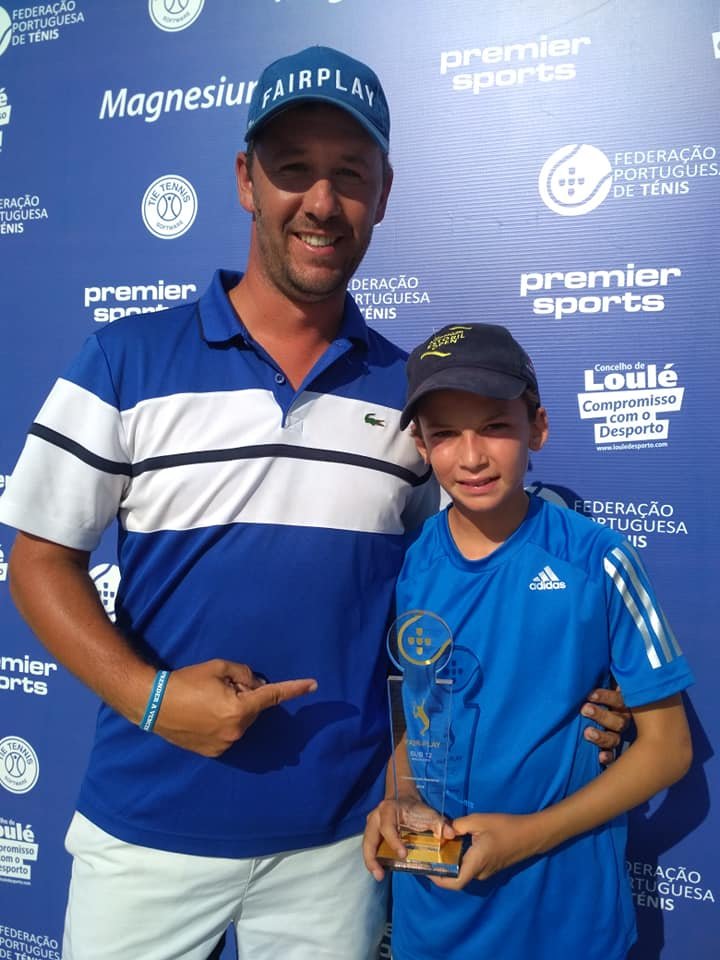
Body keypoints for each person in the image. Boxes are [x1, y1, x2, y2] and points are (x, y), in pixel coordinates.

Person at [0, 49, 626, 960]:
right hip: (144, 828)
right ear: (246, 181)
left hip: (341, 845)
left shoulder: (416, 402)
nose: (322, 202)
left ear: (384, 192)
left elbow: (463, 584)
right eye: (293, 168)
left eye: (350, 174)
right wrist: (153, 698)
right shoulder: (123, 359)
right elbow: (38, 559)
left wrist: (577, 689)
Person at [362, 322, 694, 960]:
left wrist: (530, 835)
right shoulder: (410, 565)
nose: (472, 456)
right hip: (433, 924)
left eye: (494, 426)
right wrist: (400, 794)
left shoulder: (597, 558)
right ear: (420, 444)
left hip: (565, 922)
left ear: (537, 426)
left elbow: (670, 748)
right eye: (444, 434)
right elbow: (423, 715)